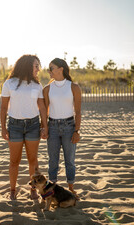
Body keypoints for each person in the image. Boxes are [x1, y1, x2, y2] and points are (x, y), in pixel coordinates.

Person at [0, 54, 48, 200]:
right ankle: (13, 190)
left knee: (33, 160)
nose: (38, 69)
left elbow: (42, 107)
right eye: (36, 66)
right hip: (14, 126)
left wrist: (44, 126)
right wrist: (3, 128)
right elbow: (3, 108)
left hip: (33, 125)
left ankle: (33, 189)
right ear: (27, 66)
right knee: (14, 161)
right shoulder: (9, 84)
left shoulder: (37, 85)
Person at [43, 58, 81, 199]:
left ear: (61, 69)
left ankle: (71, 188)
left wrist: (77, 131)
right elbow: (45, 112)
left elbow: (78, 111)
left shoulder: (73, 87)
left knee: (70, 160)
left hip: (69, 127)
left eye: (51, 68)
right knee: (53, 160)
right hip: (52, 127)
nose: (49, 71)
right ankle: (52, 190)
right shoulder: (47, 89)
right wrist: (44, 128)